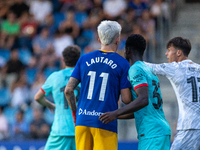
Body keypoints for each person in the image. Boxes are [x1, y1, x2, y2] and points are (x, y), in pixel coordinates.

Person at [64, 20, 132, 150]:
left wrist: (75, 113)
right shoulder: (122, 63)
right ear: (117, 39)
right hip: (105, 122)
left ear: (99, 38)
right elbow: (126, 99)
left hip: (82, 120)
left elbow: (68, 90)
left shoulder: (84, 59)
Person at [99, 34, 171, 150]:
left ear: (127, 50)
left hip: (152, 132)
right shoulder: (149, 70)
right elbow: (140, 110)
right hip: (158, 130)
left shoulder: (135, 69)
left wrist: (116, 113)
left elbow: (143, 99)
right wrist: (114, 116)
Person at [145, 36, 200, 150]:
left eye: (169, 50)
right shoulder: (199, 68)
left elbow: (148, 67)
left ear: (179, 53)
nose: (166, 54)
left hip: (189, 127)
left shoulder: (175, 67)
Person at [34, 45, 81, 150]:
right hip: (80, 128)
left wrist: (50, 105)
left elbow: (37, 97)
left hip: (61, 129)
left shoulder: (55, 77)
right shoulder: (84, 76)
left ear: (63, 59)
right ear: (79, 59)